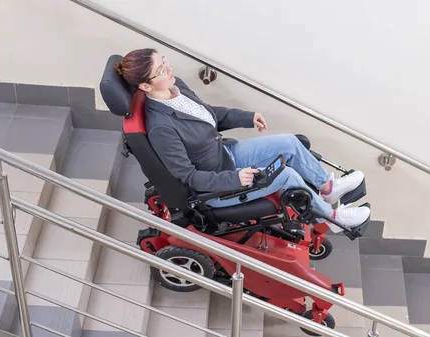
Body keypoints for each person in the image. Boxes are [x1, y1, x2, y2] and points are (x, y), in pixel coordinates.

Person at [114, 48, 371, 232]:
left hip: (226, 153)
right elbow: (189, 177)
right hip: (217, 185)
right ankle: (332, 219)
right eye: (160, 70)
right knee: (287, 176)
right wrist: (234, 179)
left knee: (290, 142)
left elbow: (209, 115)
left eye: (164, 62)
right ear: (146, 87)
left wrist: (247, 118)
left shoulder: (175, 87)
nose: (168, 69)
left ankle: (327, 188)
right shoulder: (161, 128)